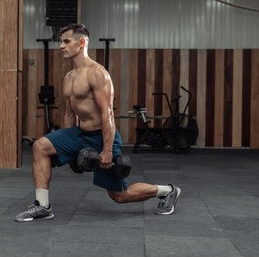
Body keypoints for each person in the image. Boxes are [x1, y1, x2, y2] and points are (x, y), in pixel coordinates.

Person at [15, 23, 181, 222]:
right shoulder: (69, 77)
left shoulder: (98, 73)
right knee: (40, 146)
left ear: (82, 42)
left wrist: (108, 150)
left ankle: (167, 191)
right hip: (80, 134)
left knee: (120, 195)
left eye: (66, 41)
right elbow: (69, 113)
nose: (61, 46)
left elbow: (107, 114)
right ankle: (42, 206)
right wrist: (68, 149)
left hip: (101, 137)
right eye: (61, 42)